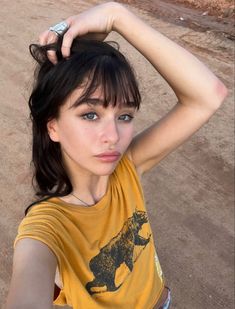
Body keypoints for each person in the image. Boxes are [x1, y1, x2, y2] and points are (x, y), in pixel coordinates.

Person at [5, 2, 227, 309]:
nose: (113, 137)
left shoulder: (126, 169)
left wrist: (117, 15)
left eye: (124, 115)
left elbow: (209, 95)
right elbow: (30, 273)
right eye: (90, 115)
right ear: (52, 126)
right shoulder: (46, 229)